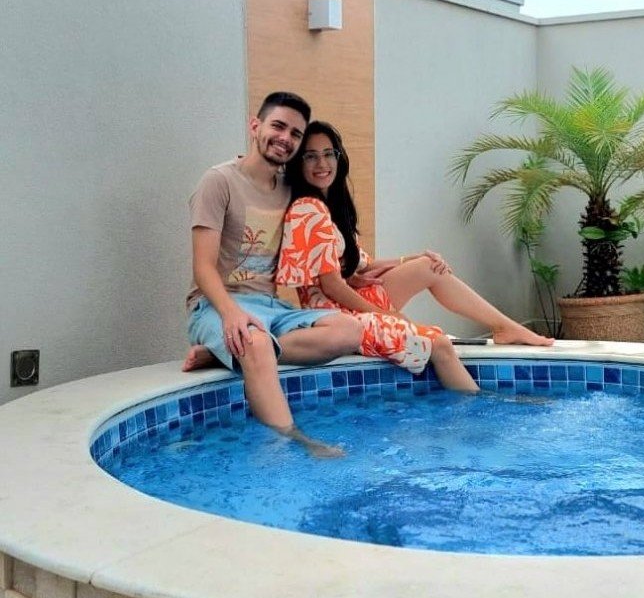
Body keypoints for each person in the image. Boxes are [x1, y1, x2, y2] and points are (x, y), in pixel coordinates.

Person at [276, 120, 553, 391]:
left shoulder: (329, 206)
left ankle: (504, 327)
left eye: (328, 154)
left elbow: (361, 267)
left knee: (429, 266)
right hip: (336, 318)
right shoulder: (308, 209)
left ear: (339, 157)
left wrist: (412, 259)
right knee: (439, 344)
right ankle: (475, 408)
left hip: (349, 303)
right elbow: (331, 285)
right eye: (311, 156)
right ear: (299, 163)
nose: (322, 164)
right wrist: (384, 314)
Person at [183, 94, 362, 454]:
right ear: (255, 126)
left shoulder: (291, 189)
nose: (285, 138)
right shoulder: (219, 181)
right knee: (255, 342)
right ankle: (295, 440)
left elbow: (328, 247)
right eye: (278, 126)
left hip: (271, 307)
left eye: (295, 133)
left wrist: (386, 265)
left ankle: (225, 354)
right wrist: (232, 315)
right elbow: (203, 268)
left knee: (349, 330)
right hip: (216, 304)